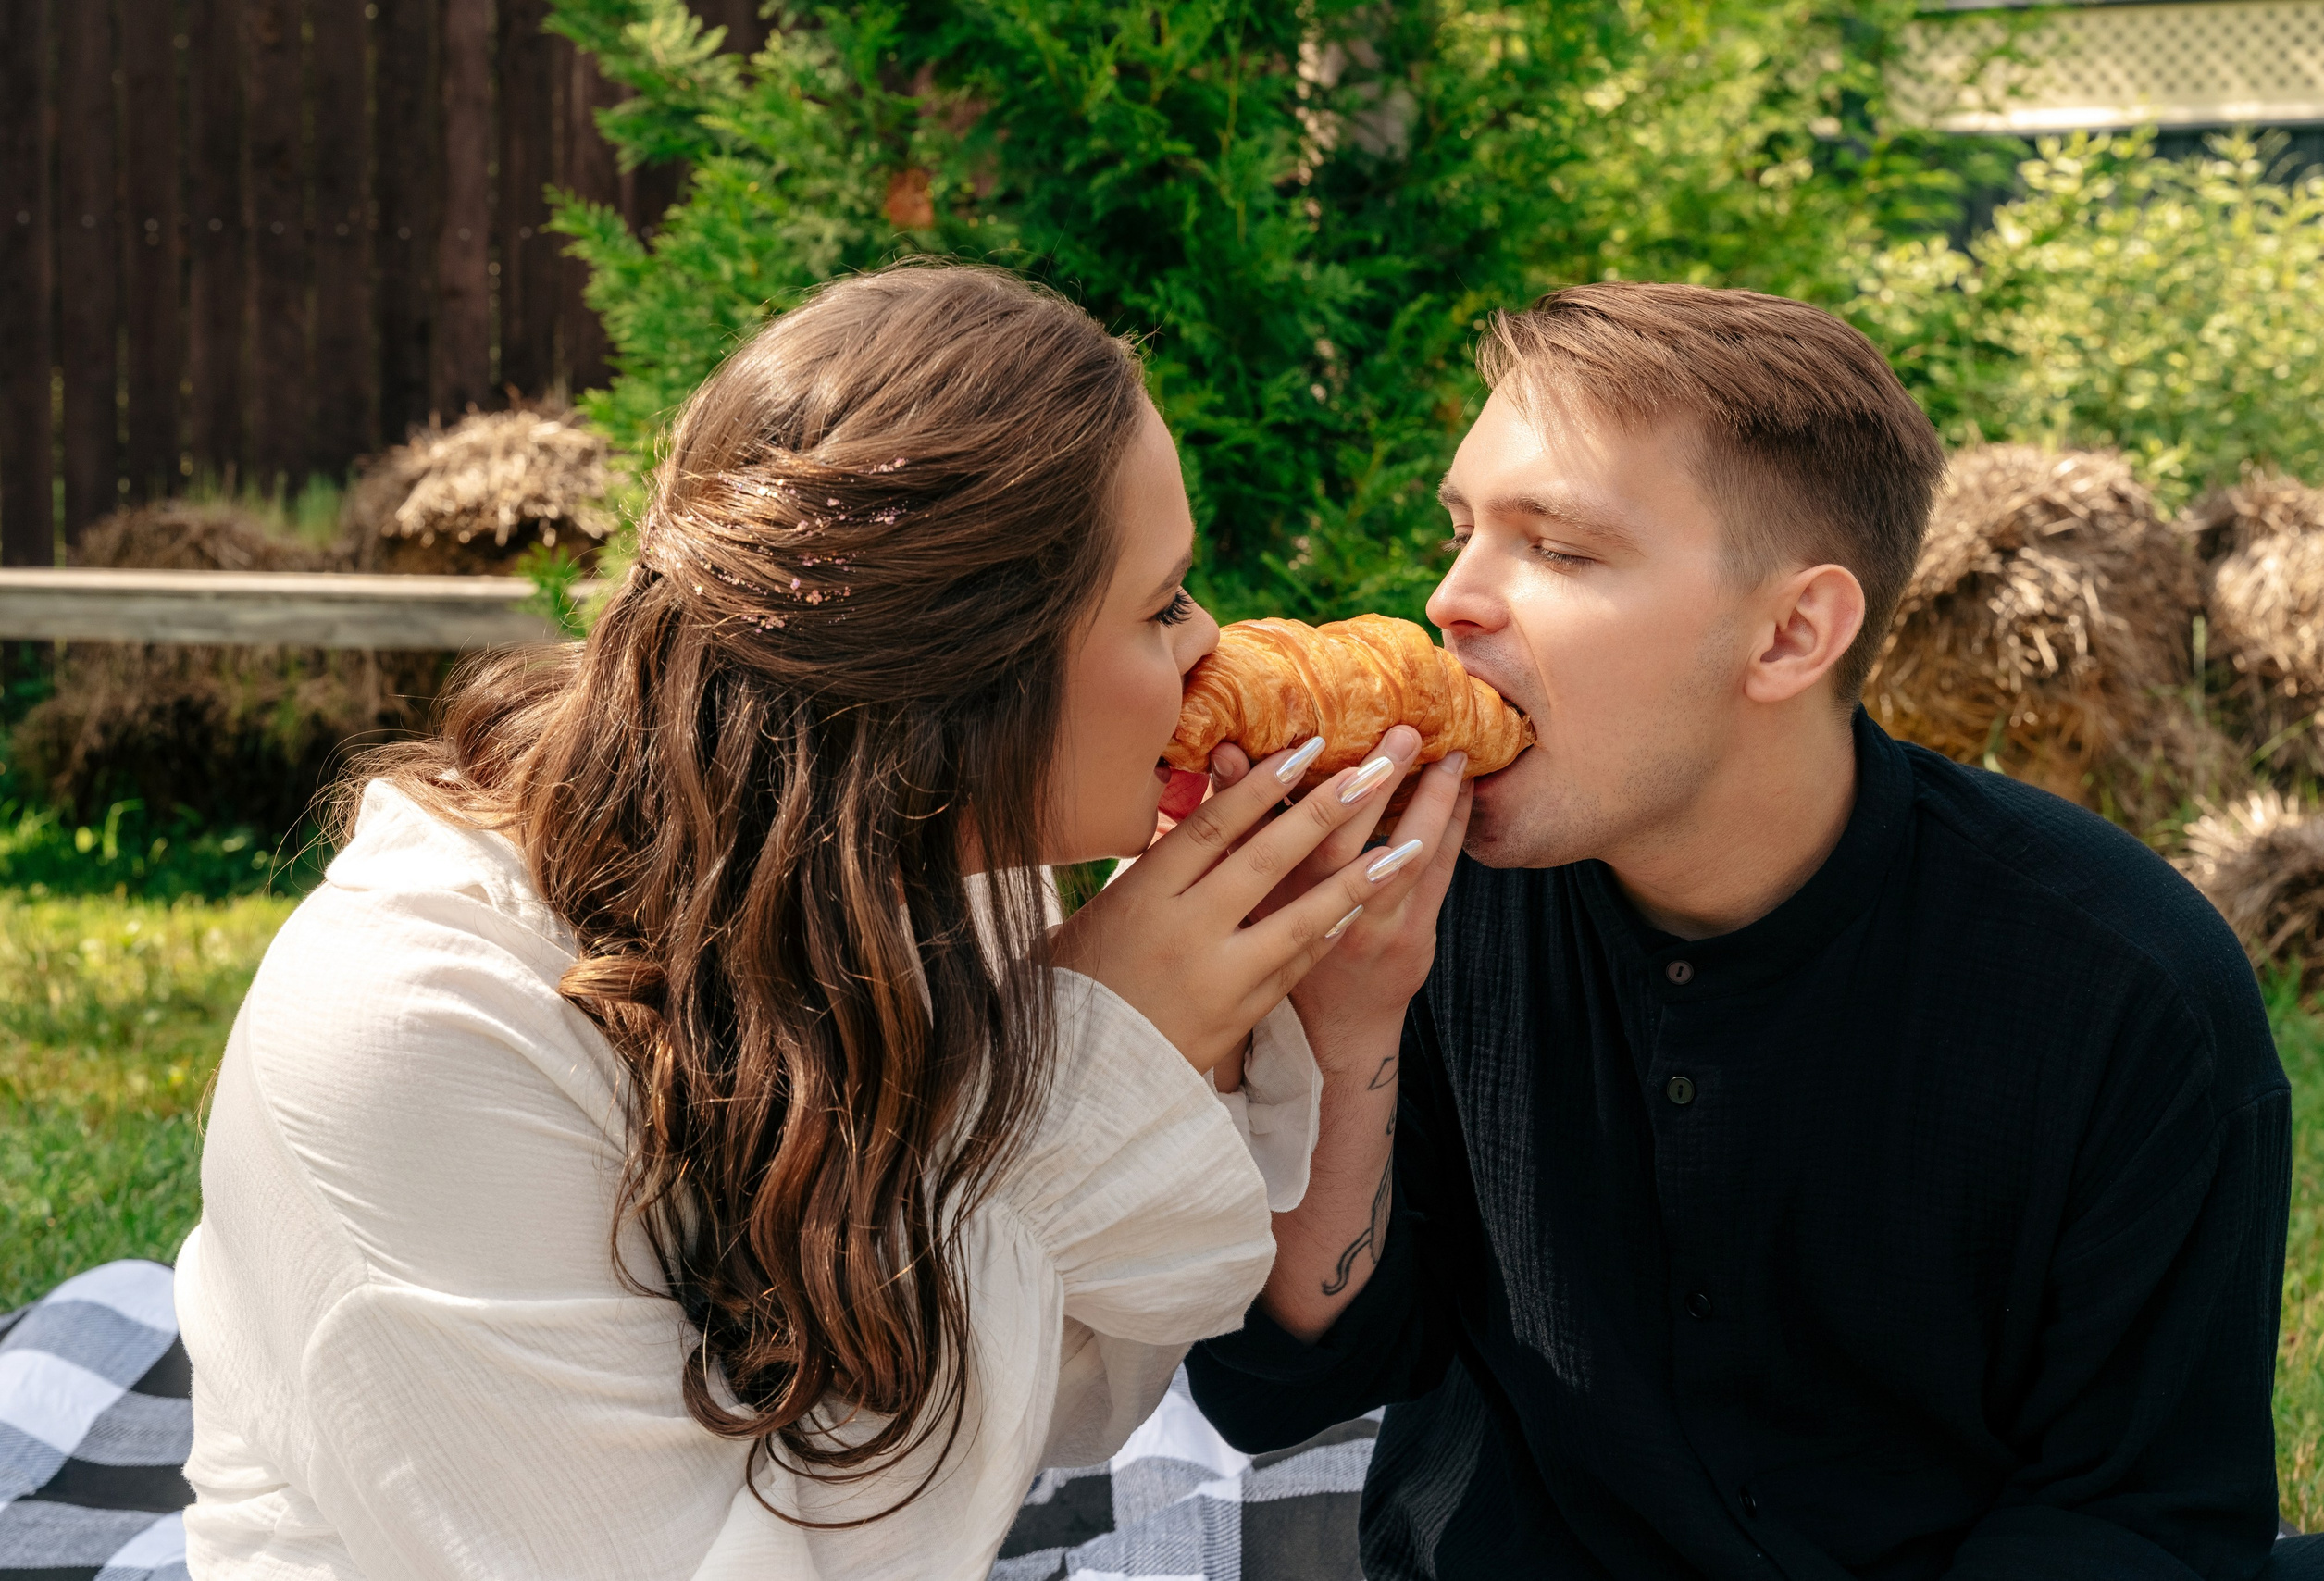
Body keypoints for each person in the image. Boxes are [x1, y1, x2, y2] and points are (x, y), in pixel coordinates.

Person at [171, 264, 1466, 1578]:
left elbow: (1064, 1403)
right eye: (1159, 605)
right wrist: (1097, 1068)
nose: (1213, 648)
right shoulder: (415, 1032)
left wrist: (1207, 1037)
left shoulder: (928, 865)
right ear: (957, 681)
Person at [1186, 282, 2324, 1578]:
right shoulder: (1422, 904)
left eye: (1559, 549)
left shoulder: (2126, 989)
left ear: (1794, 632)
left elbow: (2140, 1513)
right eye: (1461, 532)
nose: (1454, 601)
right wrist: (1343, 1031)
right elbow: (1283, 1386)